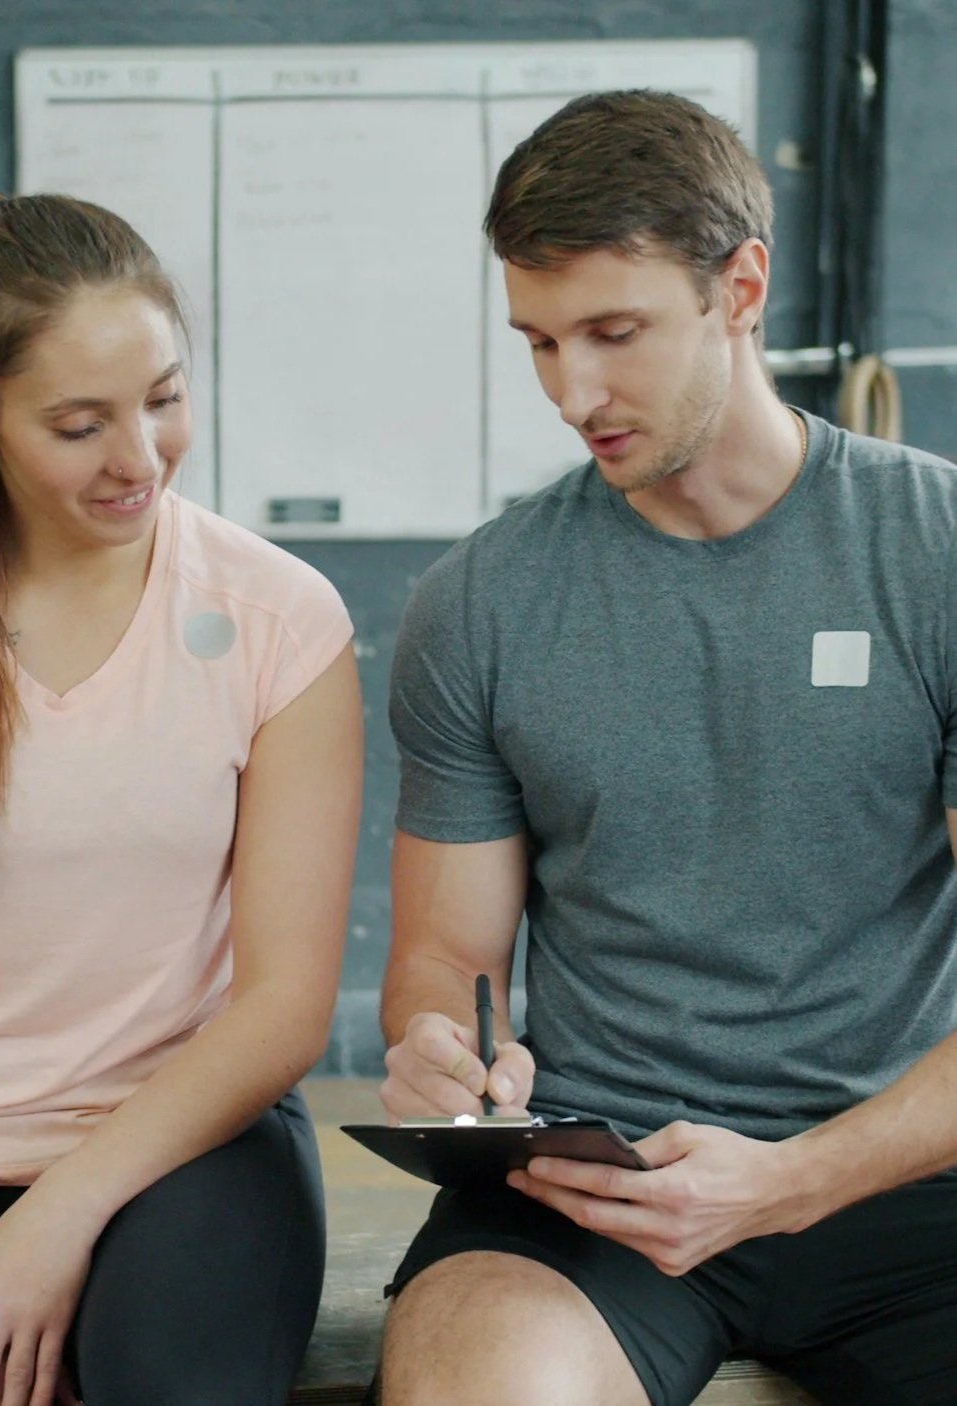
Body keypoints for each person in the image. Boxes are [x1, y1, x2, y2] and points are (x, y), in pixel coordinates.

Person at [373, 89, 957, 1406]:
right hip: (593, 1188)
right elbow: (448, 955)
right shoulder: (482, 602)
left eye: (614, 332)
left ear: (739, 288)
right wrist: (435, 1038)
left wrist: (795, 1177)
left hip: (902, 1173)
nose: (572, 391)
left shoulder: (933, 556)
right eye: (538, 342)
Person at [0, 191, 363, 1406]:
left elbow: (283, 1004)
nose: (141, 456)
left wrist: (55, 1219)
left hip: (179, 1144)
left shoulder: (282, 619)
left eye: (163, 398)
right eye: (81, 425)